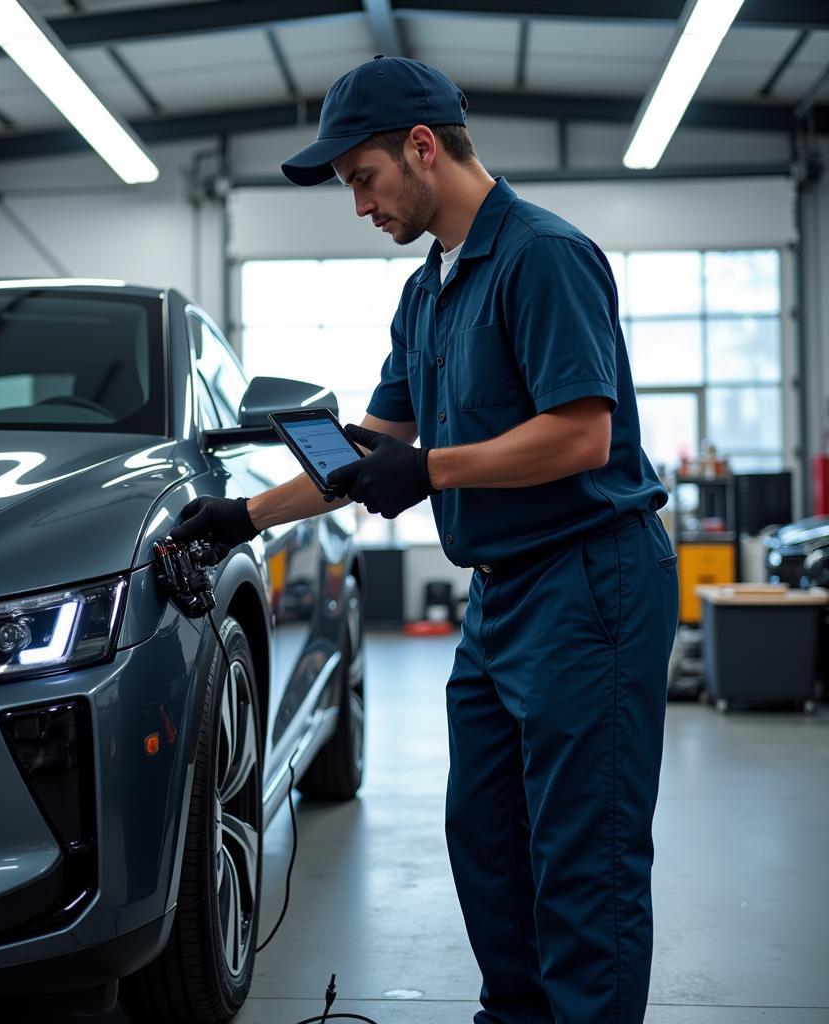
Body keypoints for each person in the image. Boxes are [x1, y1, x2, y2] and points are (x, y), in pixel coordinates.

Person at [171, 55, 680, 1024]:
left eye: (361, 177)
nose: (357, 204)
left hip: (590, 579)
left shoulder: (542, 256)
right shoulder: (428, 292)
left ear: (420, 147)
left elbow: (583, 434)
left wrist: (434, 469)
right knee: (484, 835)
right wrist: (244, 514)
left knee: (585, 853)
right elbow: (377, 447)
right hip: (499, 594)